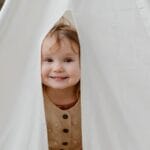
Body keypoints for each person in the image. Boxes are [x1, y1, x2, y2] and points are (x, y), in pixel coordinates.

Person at [41, 17, 82, 150]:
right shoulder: (34, 98)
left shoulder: (90, 95)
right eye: (48, 60)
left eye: (68, 60)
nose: (57, 68)